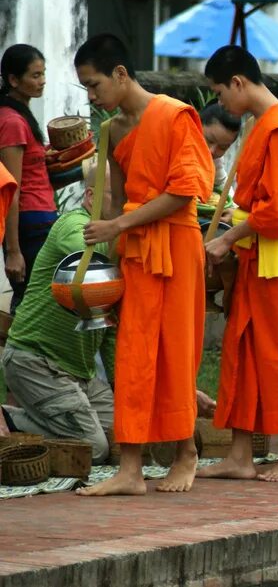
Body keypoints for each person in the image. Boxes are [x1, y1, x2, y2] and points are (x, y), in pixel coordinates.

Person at [74, 33, 214, 495]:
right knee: (132, 355)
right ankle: (130, 468)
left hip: (176, 245)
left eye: (94, 86)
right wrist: (106, 255)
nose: (92, 97)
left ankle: (186, 453)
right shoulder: (112, 129)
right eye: (86, 90)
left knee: (176, 352)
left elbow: (183, 192)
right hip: (134, 249)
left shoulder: (175, 115)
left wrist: (118, 226)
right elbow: (115, 200)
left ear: (120, 73)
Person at [198, 46, 278, 483]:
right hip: (258, 249)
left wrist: (229, 236)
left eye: (219, 92)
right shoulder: (263, 124)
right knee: (243, 348)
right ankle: (241, 454)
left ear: (238, 83)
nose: (221, 104)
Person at [0, 161, 113, 460]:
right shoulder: (72, 225)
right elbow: (86, 254)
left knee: (125, 438)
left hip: (82, 376)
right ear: (92, 198)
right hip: (35, 363)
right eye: (122, 196)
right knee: (94, 448)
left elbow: (112, 332)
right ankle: (8, 420)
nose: (131, 206)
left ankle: (36, 419)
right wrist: (127, 244)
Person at [0, 44, 57, 314]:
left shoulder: (21, 113)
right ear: (13, 80)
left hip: (39, 215)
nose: (42, 81)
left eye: (43, 73)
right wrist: (13, 250)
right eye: (35, 75)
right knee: (33, 301)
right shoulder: (12, 122)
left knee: (37, 299)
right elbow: (11, 188)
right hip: (29, 222)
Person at [199, 102, 241, 193]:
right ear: (196, 126)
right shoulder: (173, 146)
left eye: (222, 147)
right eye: (209, 140)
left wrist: (234, 206)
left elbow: (222, 184)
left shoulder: (215, 161)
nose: (212, 151)